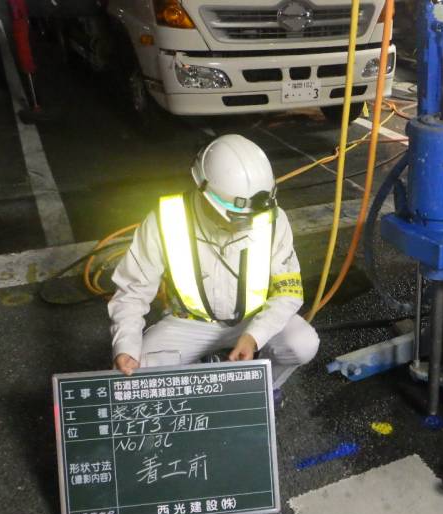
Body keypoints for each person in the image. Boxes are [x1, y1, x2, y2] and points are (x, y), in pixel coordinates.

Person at [108, 134, 319, 398]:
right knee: (134, 377)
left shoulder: (273, 220)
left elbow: (288, 292)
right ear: (203, 192)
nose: (245, 225)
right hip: (187, 324)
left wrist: (254, 336)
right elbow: (132, 291)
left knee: (301, 344)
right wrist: (126, 346)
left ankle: (264, 391)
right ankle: (202, 369)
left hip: (251, 321)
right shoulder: (165, 219)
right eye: (235, 218)